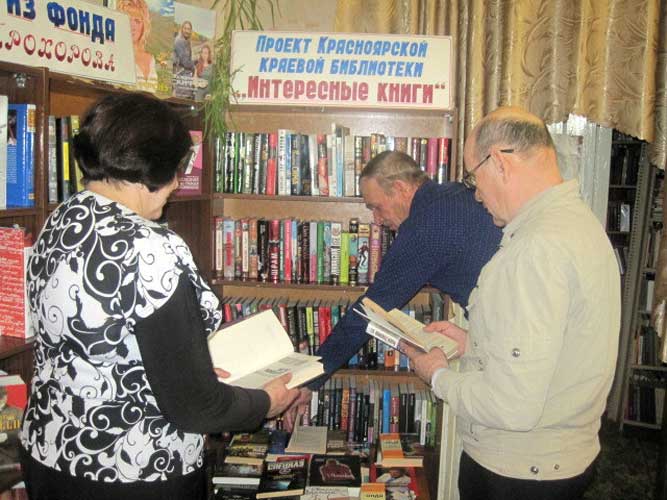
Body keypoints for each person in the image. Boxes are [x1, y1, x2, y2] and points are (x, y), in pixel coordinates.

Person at [19, 93, 299, 500]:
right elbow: (195, 407)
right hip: (132, 468)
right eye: (176, 170)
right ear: (153, 167)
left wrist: (186, 366)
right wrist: (265, 403)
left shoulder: (62, 218)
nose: (177, 184)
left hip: (49, 450)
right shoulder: (150, 247)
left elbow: (102, 344)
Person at [402, 106, 620, 500]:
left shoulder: (535, 248)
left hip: (518, 472)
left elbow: (511, 407)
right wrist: (474, 343)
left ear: (499, 163)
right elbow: (558, 344)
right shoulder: (579, 224)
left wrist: (437, 375)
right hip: (562, 460)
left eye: (474, 177)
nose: (476, 194)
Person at [284, 150, 502, 429]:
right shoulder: (451, 194)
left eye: (376, 207)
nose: (376, 220)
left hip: (504, 342)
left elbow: (371, 310)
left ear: (400, 188)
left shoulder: (425, 226)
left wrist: (310, 378)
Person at [117, 0, 158, 93]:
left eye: (137, 21)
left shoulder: (151, 59)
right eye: (128, 20)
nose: (132, 26)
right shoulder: (117, 56)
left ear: (144, 25)